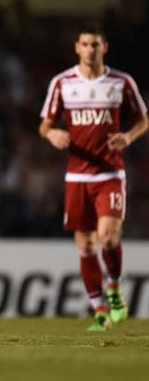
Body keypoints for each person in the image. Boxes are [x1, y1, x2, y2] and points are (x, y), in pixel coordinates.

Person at [38, 24, 148, 331]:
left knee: (109, 237)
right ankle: (99, 309)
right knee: (86, 245)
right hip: (77, 176)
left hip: (110, 173)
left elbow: (143, 119)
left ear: (105, 47)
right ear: (77, 48)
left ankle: (113, 286)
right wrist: (53, 134)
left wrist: (128, 136)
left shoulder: (121, 82)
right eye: (85, 44)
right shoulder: (62, 83)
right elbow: (44, 125)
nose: (90, 49)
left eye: (95, 44)